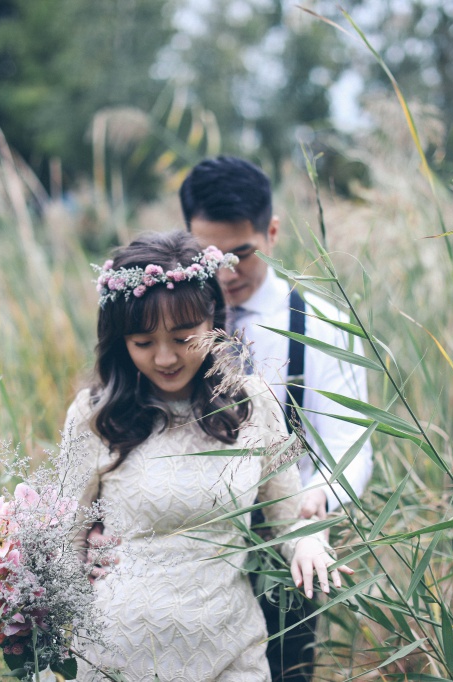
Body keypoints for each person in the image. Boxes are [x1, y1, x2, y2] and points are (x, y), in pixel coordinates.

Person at [63, 231, 351, 681]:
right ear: (120, 341)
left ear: (213, 320)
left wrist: (309, 540)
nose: (164, 358)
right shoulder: (94, 415)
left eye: (182, 337)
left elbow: (288, 518)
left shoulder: (253, 401)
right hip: (116, 656)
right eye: (142, 342)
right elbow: (66, 541)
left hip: (231, 650)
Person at [181, 156, 374, 680]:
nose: (225, 271)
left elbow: (349, 441)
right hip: (190, 553)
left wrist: (321, 498)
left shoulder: (321, 323)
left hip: (283, 549)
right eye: (210, 254)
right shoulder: (168, 323)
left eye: (240, 253)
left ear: (270, 232)